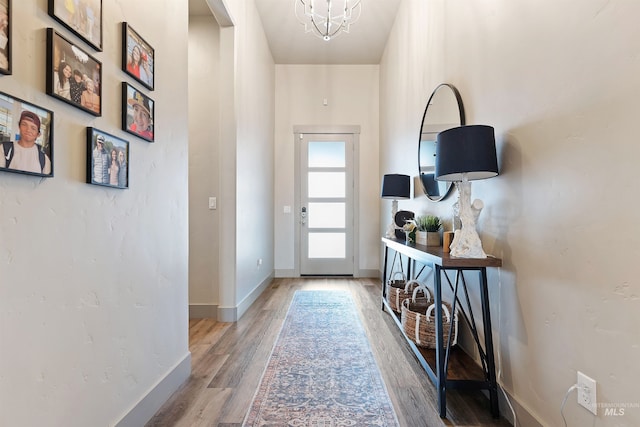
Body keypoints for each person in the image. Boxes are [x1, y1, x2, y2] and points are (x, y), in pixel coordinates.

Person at [0, 110, 51, 175]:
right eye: (24, 124)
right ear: (19, 126)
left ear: (38, 134)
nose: (28, 130)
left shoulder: (43, 156)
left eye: (33, 128)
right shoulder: (4, 149)